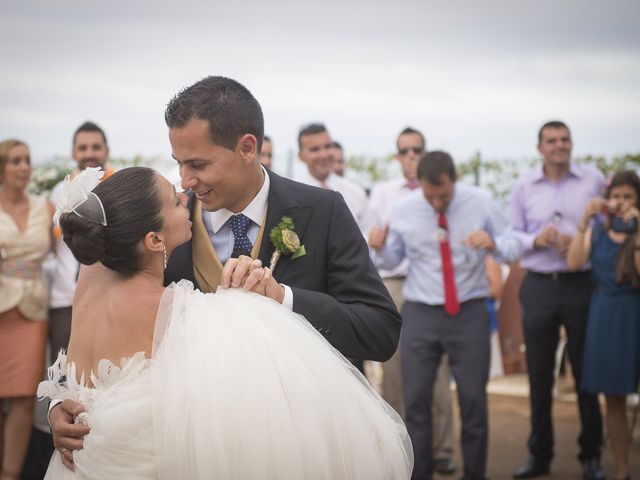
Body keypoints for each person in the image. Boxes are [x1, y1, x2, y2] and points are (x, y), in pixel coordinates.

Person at [49, 76, 402, 458]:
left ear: (247, 147)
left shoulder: (323, 211)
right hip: (194, 452)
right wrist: (61, 402)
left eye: (198, 163)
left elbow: (380, 331)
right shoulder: (159, 230)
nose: (185, 180)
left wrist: (283, 298)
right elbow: (99, 318)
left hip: (307, 449)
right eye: (179, 163)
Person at [38, 166, 413, 479]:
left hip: (82, 464)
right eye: (173, 198)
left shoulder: (91, 272)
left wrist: (60, 404)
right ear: (154, 240)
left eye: (195, 164)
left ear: (245, 148)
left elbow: (78, 362)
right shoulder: (194, 312)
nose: (185, 188)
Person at [371, 151, 522, 480]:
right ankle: (420, 473)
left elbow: (515, 243)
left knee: (473, 401)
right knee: (417, 402)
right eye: (430, 196)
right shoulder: (404, 209)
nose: (437, 202)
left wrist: (494, 243)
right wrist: (380, 247)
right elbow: (392, 258)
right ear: (420, 186)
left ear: (454, 180)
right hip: (421, 313)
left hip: (469, 312)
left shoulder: (480, 201)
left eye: (444, 195)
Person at [510, 121, 605, 480]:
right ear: (540, 148)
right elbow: (511, 234)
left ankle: (591, 456)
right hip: (538, 286)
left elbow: (606, 226)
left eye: (565, 139)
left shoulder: (594, 180)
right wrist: (537, 239)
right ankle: (540, 456)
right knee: (538, 374)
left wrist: (580, 242)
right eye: (552, 140)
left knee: (585, 372)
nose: (560, 145)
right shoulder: (523, 185)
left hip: (583, 283)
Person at [365, 127, 456, 475]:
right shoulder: (384, 195)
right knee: (394, 369)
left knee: (438, 372)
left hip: (431, 285)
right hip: (391, 283)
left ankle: (442, 448)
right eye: (405, 150)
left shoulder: (445, 194)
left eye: (417, 149)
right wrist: (377, 244)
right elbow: (371, 243)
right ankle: (399, 446)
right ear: (397, 156)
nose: (412, 155)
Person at [567, 170, 640, 480]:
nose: (621, 203)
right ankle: (622, 469)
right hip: (604, 314)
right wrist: (584, 222)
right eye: (617, 197)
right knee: (613, 397)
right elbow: (573, 263)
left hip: (633, 311)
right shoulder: (596, 231)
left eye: (628, 197)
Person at [0, 139, 52, 480]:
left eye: (27, 160)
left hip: (33, 311)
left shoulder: (45, 208)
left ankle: (11, 474)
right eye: (15, 161)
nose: (23, 167)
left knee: (22, 399)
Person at [48, 121, 114, 367]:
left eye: (96, 146)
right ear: (73, 152)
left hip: (110, 294)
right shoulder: (58, 192)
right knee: (63, 373)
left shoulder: (120, 188)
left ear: (106, 150)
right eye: (83, 147)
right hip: (66, 298)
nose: (89, 153)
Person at [297, 123, 367, 232]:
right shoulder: (293, 196)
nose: (324, 155)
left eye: (327, 146)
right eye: (315, 149)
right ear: (301, 156)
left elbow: (367, 237)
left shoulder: (356, 192)